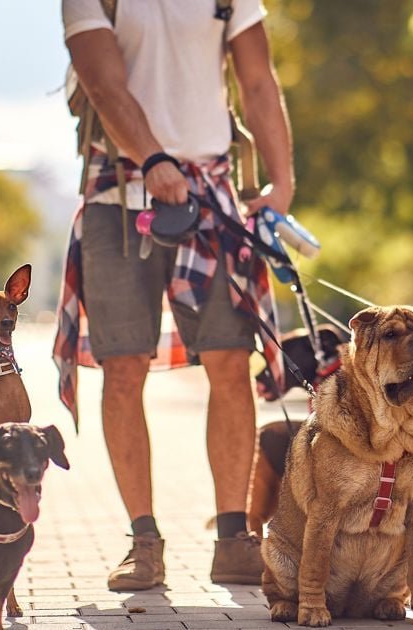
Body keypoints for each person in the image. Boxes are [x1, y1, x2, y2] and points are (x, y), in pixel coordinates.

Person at [60, 0, 294, 590]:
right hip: (118, 196)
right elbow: (103, 83)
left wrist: (282, 181)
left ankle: (235, 539)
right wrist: (154, 159)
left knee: (228, 358)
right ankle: (144, 541)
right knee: (122, 367)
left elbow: (259, 81)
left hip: (211, 196)